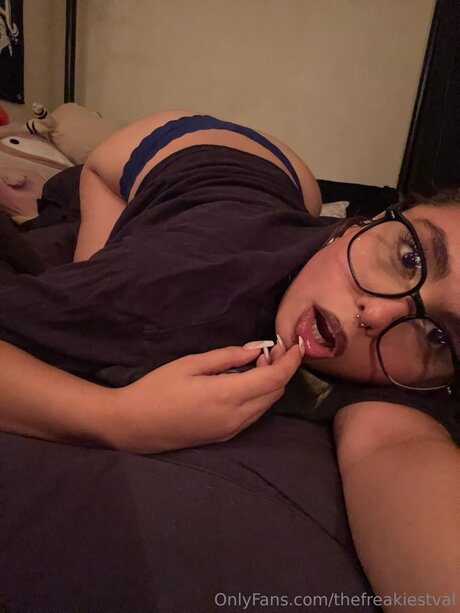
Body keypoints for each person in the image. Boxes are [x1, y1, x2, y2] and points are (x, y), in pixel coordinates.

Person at [0, 111, 459, 608]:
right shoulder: (178, 277)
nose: (381, 313)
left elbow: (399, 451)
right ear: (364, 223)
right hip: (168, 146)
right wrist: (115, 418)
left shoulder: (414, 372)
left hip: (290, 187)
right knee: (91, 222)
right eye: (410, 258)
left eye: (438, 333)